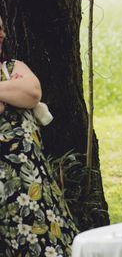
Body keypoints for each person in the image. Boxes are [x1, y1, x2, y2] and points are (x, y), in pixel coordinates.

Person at [0, 17, 78, 256]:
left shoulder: (13, 68)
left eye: (2, 28)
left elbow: (31, 92)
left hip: (31, 191)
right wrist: (8, 93)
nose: (2, 34)